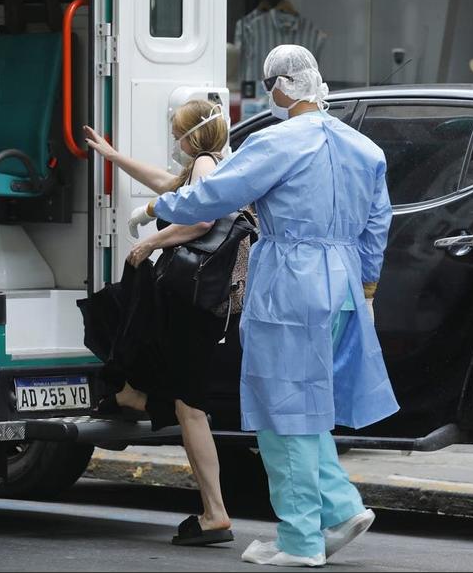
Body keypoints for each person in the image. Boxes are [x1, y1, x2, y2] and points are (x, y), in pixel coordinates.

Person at [143, 45, 399, 567]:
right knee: (309, 411)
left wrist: (155, 208)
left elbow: (214, 195)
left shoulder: (275, 143)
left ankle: (302, 537)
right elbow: (378, 226)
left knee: (283, 413)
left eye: (269, 86)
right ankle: (341, 506)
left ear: (280, 88)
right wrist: (367, 291)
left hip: (291, 282)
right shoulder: (365, 149)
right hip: (344, 284)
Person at [82, 100, 239, 546]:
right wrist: (114, 158)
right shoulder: (206, 166)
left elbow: (204, 218)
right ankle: (132, 398)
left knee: (189, 407)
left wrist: (151, 240)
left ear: (192, 136)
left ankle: (215, 512)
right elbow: (166, 184)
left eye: (177, 132)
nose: (175, 140)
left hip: (192, 307)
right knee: (174, 392)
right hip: (193, 307)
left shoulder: (206, 166)